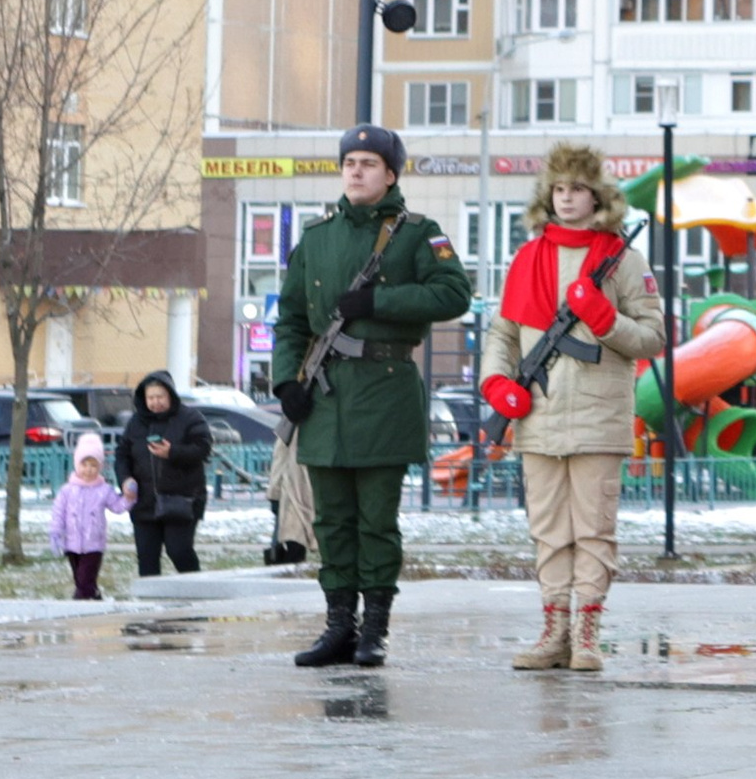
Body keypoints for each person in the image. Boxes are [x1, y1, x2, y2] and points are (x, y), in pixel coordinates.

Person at [271, 126, 474, 668]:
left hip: (385, 394)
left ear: (390, 173)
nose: (356, 171)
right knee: (331, 521)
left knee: (376, 521)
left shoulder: (417, 234)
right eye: (349, 162)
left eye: (368, 162)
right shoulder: (317, 238)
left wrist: (379, 301)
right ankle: (339, 625)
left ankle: (374, 630)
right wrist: (286, 382)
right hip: (325, 398)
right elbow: (290, 319)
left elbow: (455, 292)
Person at [479, 142, 665, 671]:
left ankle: (587, 632)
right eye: (558, 189)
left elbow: (653, 338)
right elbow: (504, 333)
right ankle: (554, 630)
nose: (566, 199)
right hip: (537, 416)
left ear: (596, 196)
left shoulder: (623, 261)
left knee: (594, 528)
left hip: (598, 416)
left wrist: (604, 320)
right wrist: (496, 384)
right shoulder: (528, 258)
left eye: (577, 189)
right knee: (548, 530)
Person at [115, 372, 214, 577]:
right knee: (146, 556)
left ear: (170, 395)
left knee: (178, 550)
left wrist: (173, 452)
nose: (155, 402)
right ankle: (150, 604)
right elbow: (122, 454)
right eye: (151, 398)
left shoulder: (190, 418)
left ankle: (197, 590)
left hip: (181, 499)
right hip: (144, 501)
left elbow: (203, 448)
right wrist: (125, 480)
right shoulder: (136, 422)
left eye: (160, 397)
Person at [49, 434, 131, 599]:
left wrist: (129, 498)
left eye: (93, 465)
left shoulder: (104, 490)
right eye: (84, 465)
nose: (88, 469)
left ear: (100, 467)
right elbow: (58, 512)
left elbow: (117, 507)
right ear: (77, 465)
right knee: (80, 579)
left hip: (94, 544)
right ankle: (94, 596)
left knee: (85, 578)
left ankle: (80, 603)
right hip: (71, 543)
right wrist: (55, 532)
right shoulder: (67, 490)